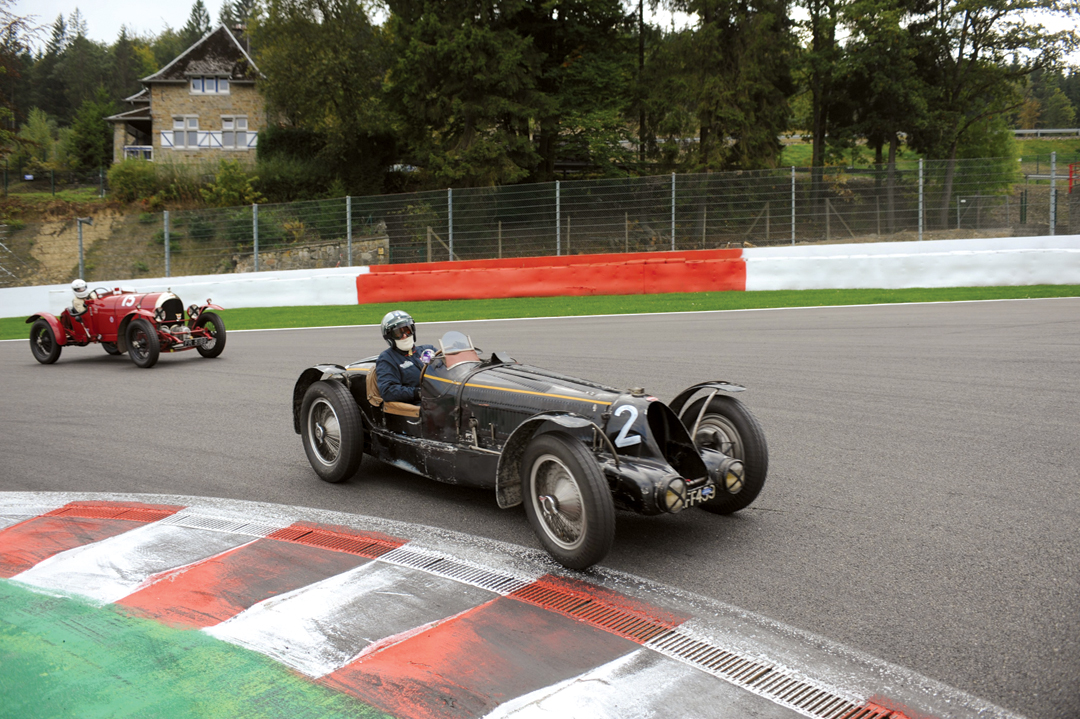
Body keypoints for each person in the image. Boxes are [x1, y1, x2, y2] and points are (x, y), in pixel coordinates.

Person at [375, 310, 436, 404]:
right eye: (398, 333)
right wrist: (418, 393)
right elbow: (388, 390)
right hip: (419, 406)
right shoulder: (387, 359)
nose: (404, 335)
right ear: (389, 337)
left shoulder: (428, 350)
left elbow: (448, 368)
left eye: (407, 330)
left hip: (441, 397)